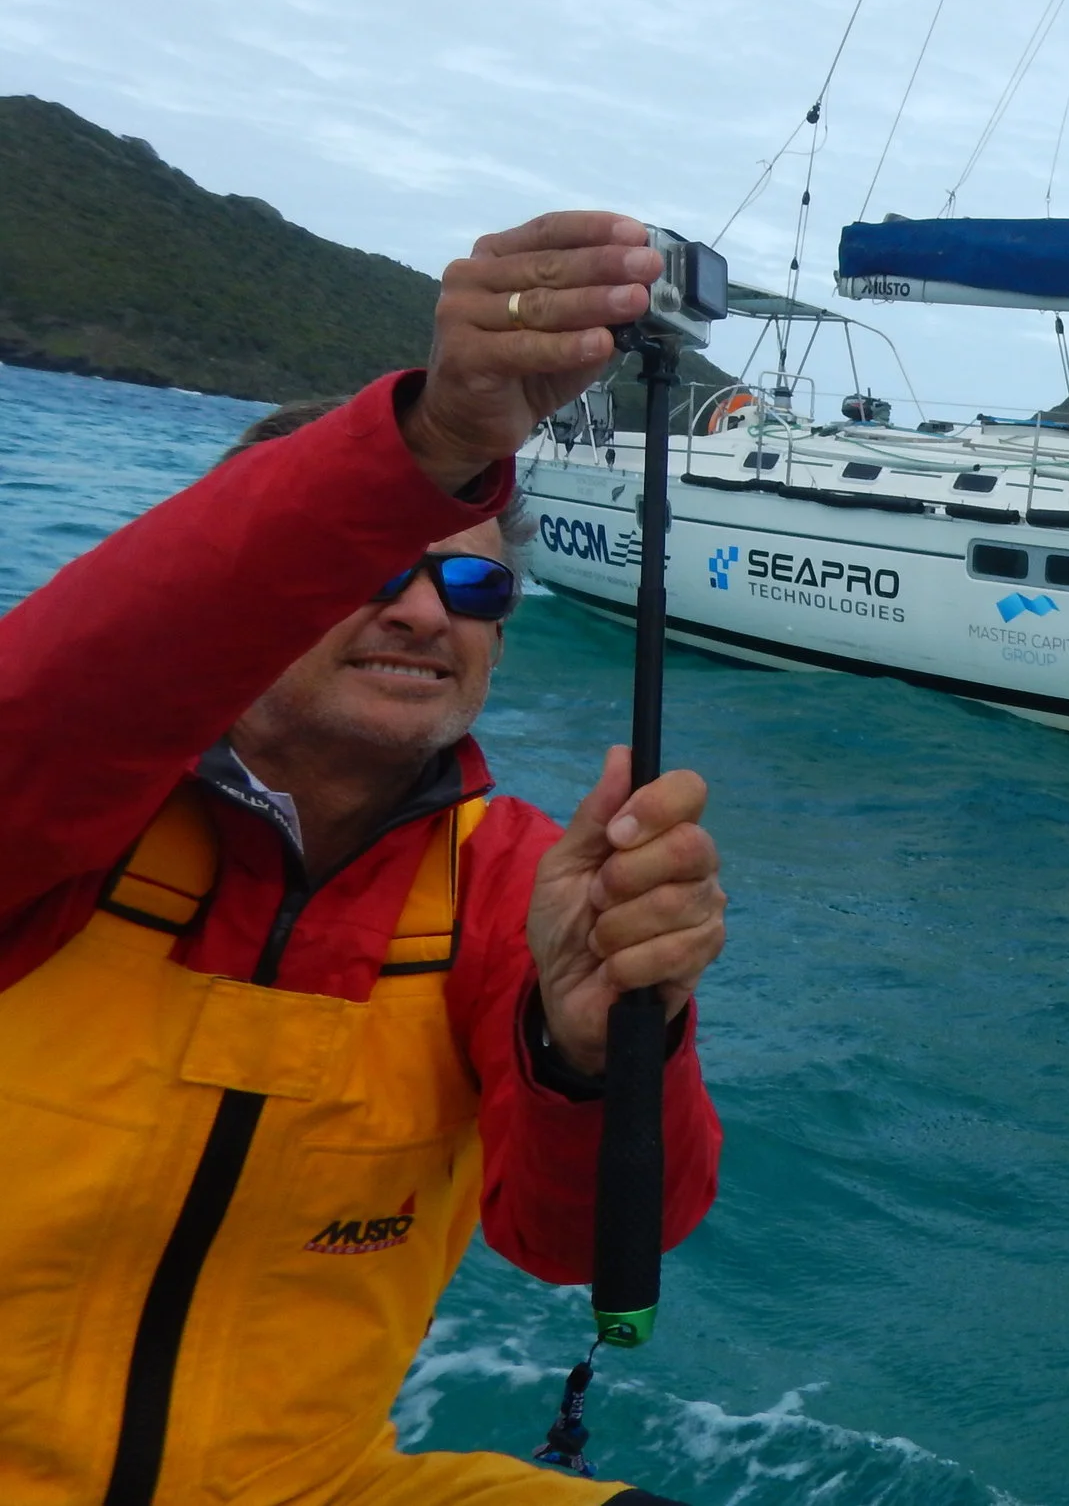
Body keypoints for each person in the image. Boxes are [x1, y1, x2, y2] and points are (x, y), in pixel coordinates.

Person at [0, 213, 728, 1505]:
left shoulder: (512, 874)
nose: (420, 612)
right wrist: (431, 446)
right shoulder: (67, 798)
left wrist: (595, 1051)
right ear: (250, 586)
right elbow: (66, 687)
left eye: (475, 589)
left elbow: (574, 1239)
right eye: (375, 566)